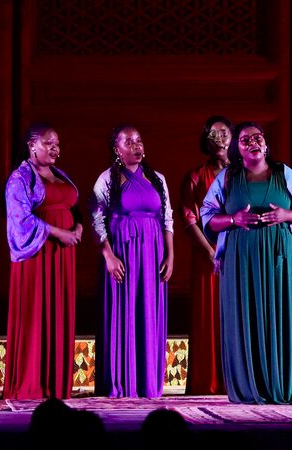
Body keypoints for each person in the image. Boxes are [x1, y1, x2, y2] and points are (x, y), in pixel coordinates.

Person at [201, 121, 292, 404]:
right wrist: (233, 219)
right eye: (245, 139)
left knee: (280, 314)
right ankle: (247, 387)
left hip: (279, 255)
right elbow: (208, 217)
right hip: (241, 256)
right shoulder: (228, 177)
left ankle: (282, 385)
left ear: (265, 144)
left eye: (257, 137)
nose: (253, 141)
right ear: (237, 149)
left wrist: (286, 216)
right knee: (244, 314)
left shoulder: (283, 173)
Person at [90, 125, 174, 398]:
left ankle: (147, 382)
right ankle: (120, 381)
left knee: (148, 311)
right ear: (117, 149)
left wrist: (170, 255)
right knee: (122, 312)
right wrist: (109, 256)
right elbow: (96, 218)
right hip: (122, 254)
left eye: (139, 140)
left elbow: (167, 219)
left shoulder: (156, 178)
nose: (136, 145)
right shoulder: (107, 179)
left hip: (152, 253)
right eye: (129, 142)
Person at [4, 122, 82, 399]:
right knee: (35, 314)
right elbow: (20, 219)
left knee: (58, 312)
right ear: (31, 145)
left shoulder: (59, 174)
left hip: (63, 256)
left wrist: (78, 227)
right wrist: (58, 232)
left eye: (57, 143)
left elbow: (73, 206)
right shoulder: (20, 178)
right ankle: (30, 383)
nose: (55, 148)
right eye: (48, 143)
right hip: (37, 256)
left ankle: (56, 383)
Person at [180, 115, 231, 395]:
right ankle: (209, 381)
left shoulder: (245, 173)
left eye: (224, 132)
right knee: (210, 318)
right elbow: (189, 221)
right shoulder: (196, 176)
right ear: (206, 141)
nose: (220, 137)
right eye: (213, 134)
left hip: (240, 255)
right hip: (208, 256)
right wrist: (212, 252)